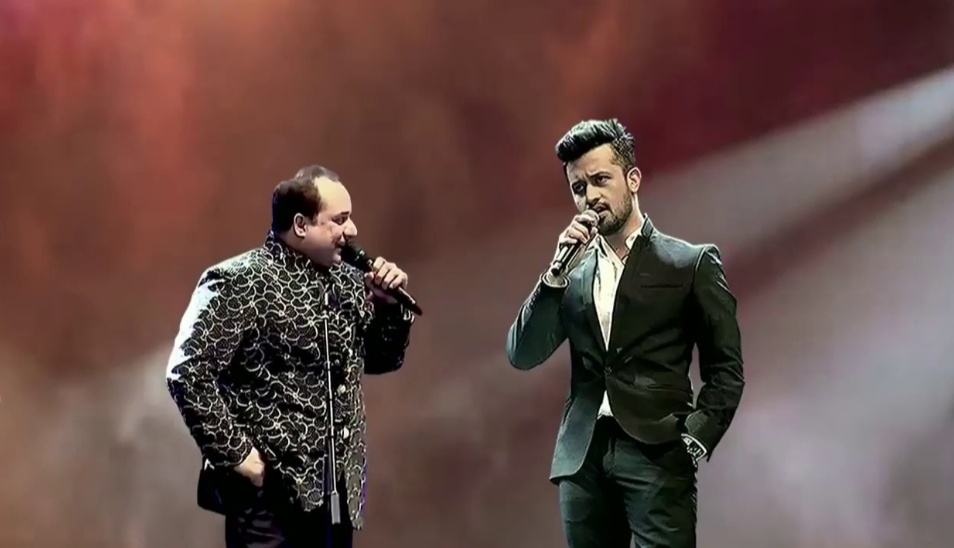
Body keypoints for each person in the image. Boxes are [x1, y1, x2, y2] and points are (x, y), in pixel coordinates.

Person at [505, 119, 744, 548]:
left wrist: (695, 436)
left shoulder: (688, 263)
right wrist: (554, 275)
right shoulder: (571, 273)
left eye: (600, 180)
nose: (590, 197)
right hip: (583, 457)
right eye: (579, 188)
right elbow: (522, 354)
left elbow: (726, 368)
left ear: (632, 179)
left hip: (658, 451)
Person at [166, 165, 416, 548]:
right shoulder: (240, 281)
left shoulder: (349, 283)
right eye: (340, 220)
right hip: (269, 504)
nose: (352, 231)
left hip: (336, 499)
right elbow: (187, 372)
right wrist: (237, 454)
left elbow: (382, 360)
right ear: (301, 225)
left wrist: (387, 308)